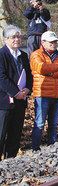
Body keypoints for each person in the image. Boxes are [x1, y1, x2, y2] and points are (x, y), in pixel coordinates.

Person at [30, 31, 58, 151]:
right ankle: (35, 148)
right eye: (51, 41)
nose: (54, 43)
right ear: (43, 42)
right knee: (40, 123)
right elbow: (41, 68)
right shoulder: (36, 54)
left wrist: (51, 73)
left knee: (53, 124)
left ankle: (52, 147)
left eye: (55, 41)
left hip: (57, 94)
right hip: (42, 94)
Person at [0, 25, 32, 159]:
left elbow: (29, 75)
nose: (17, 39)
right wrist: (15, 92)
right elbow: (1, 77)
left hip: (20, 101)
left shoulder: (23, 55)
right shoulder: (1, 55)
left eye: (19, 36)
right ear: (5, 39)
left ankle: (10, 161)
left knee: (15, 134)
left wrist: (27, 89)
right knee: (1, 134)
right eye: (13, 37)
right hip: (4, 102)